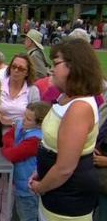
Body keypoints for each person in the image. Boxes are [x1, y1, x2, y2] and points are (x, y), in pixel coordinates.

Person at [29, 38, 103, 221]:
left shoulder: (79, 108)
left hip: (66, 199)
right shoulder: (65, 97)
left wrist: (41, 187)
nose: (51, 69)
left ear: (74, 67)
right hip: (55, 192)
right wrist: (41, 171)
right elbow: (54, 147)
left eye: (56, 63)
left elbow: (65, 168)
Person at [0, 53, 39, 221]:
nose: (16, 70)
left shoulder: (32, 90)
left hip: (19, 139)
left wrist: (15, 124)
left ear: (27, 72)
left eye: (21, 68)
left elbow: (37, 117)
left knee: (15, 179)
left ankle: (9, 216)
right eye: (14, 66)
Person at [1, 102, 51, 221]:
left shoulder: (35, 140)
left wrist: (8, 148)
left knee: (28, 216)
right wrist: (11, 145)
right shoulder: (21, 125)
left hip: (28, 189)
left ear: (39, 124)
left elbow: (12, 155)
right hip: (22, 184)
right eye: (24, 115)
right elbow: (7, 136)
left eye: (28, 119)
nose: (23, 120)